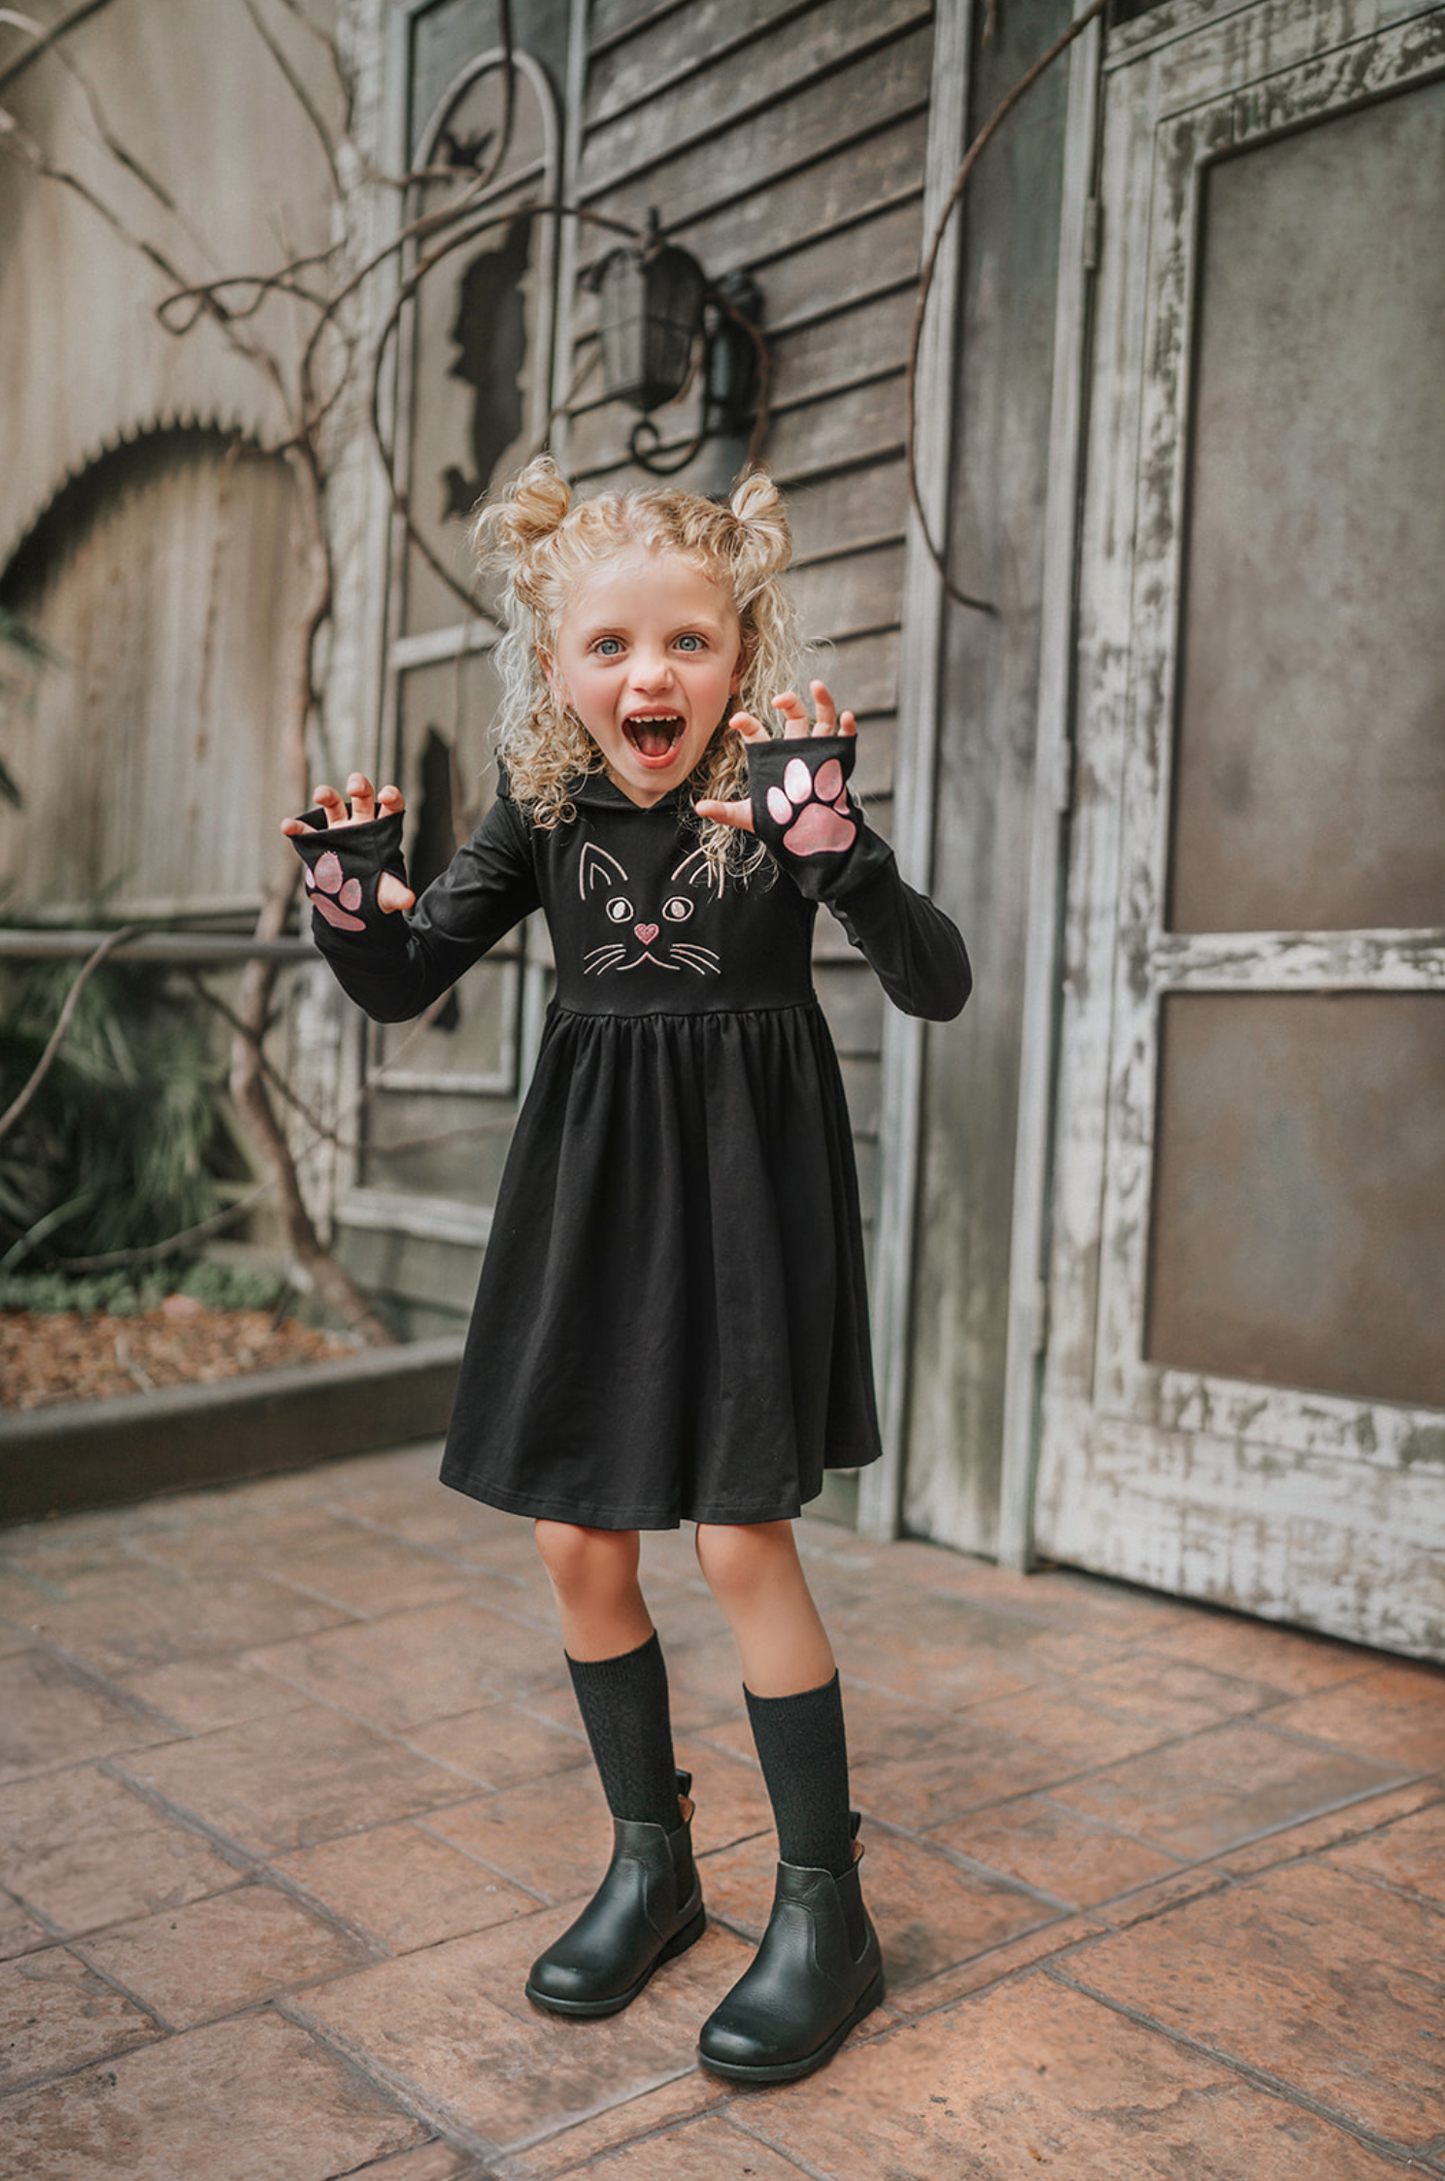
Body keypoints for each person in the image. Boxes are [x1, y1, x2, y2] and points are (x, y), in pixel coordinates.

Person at [282, 456, 971, 2084]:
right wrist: (342, 898)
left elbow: (932, 983)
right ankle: (651, 1863)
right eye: (610, 647)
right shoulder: (540, 804)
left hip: (744, 1194)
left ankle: (826, 1911)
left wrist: (843, 854)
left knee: (740, 1539)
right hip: (590, 1198)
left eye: (686, 643)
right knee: (579, 1544)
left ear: (740, 648)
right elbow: (403, 977)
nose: (648, 676)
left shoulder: (781, 799)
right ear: (557, 658)